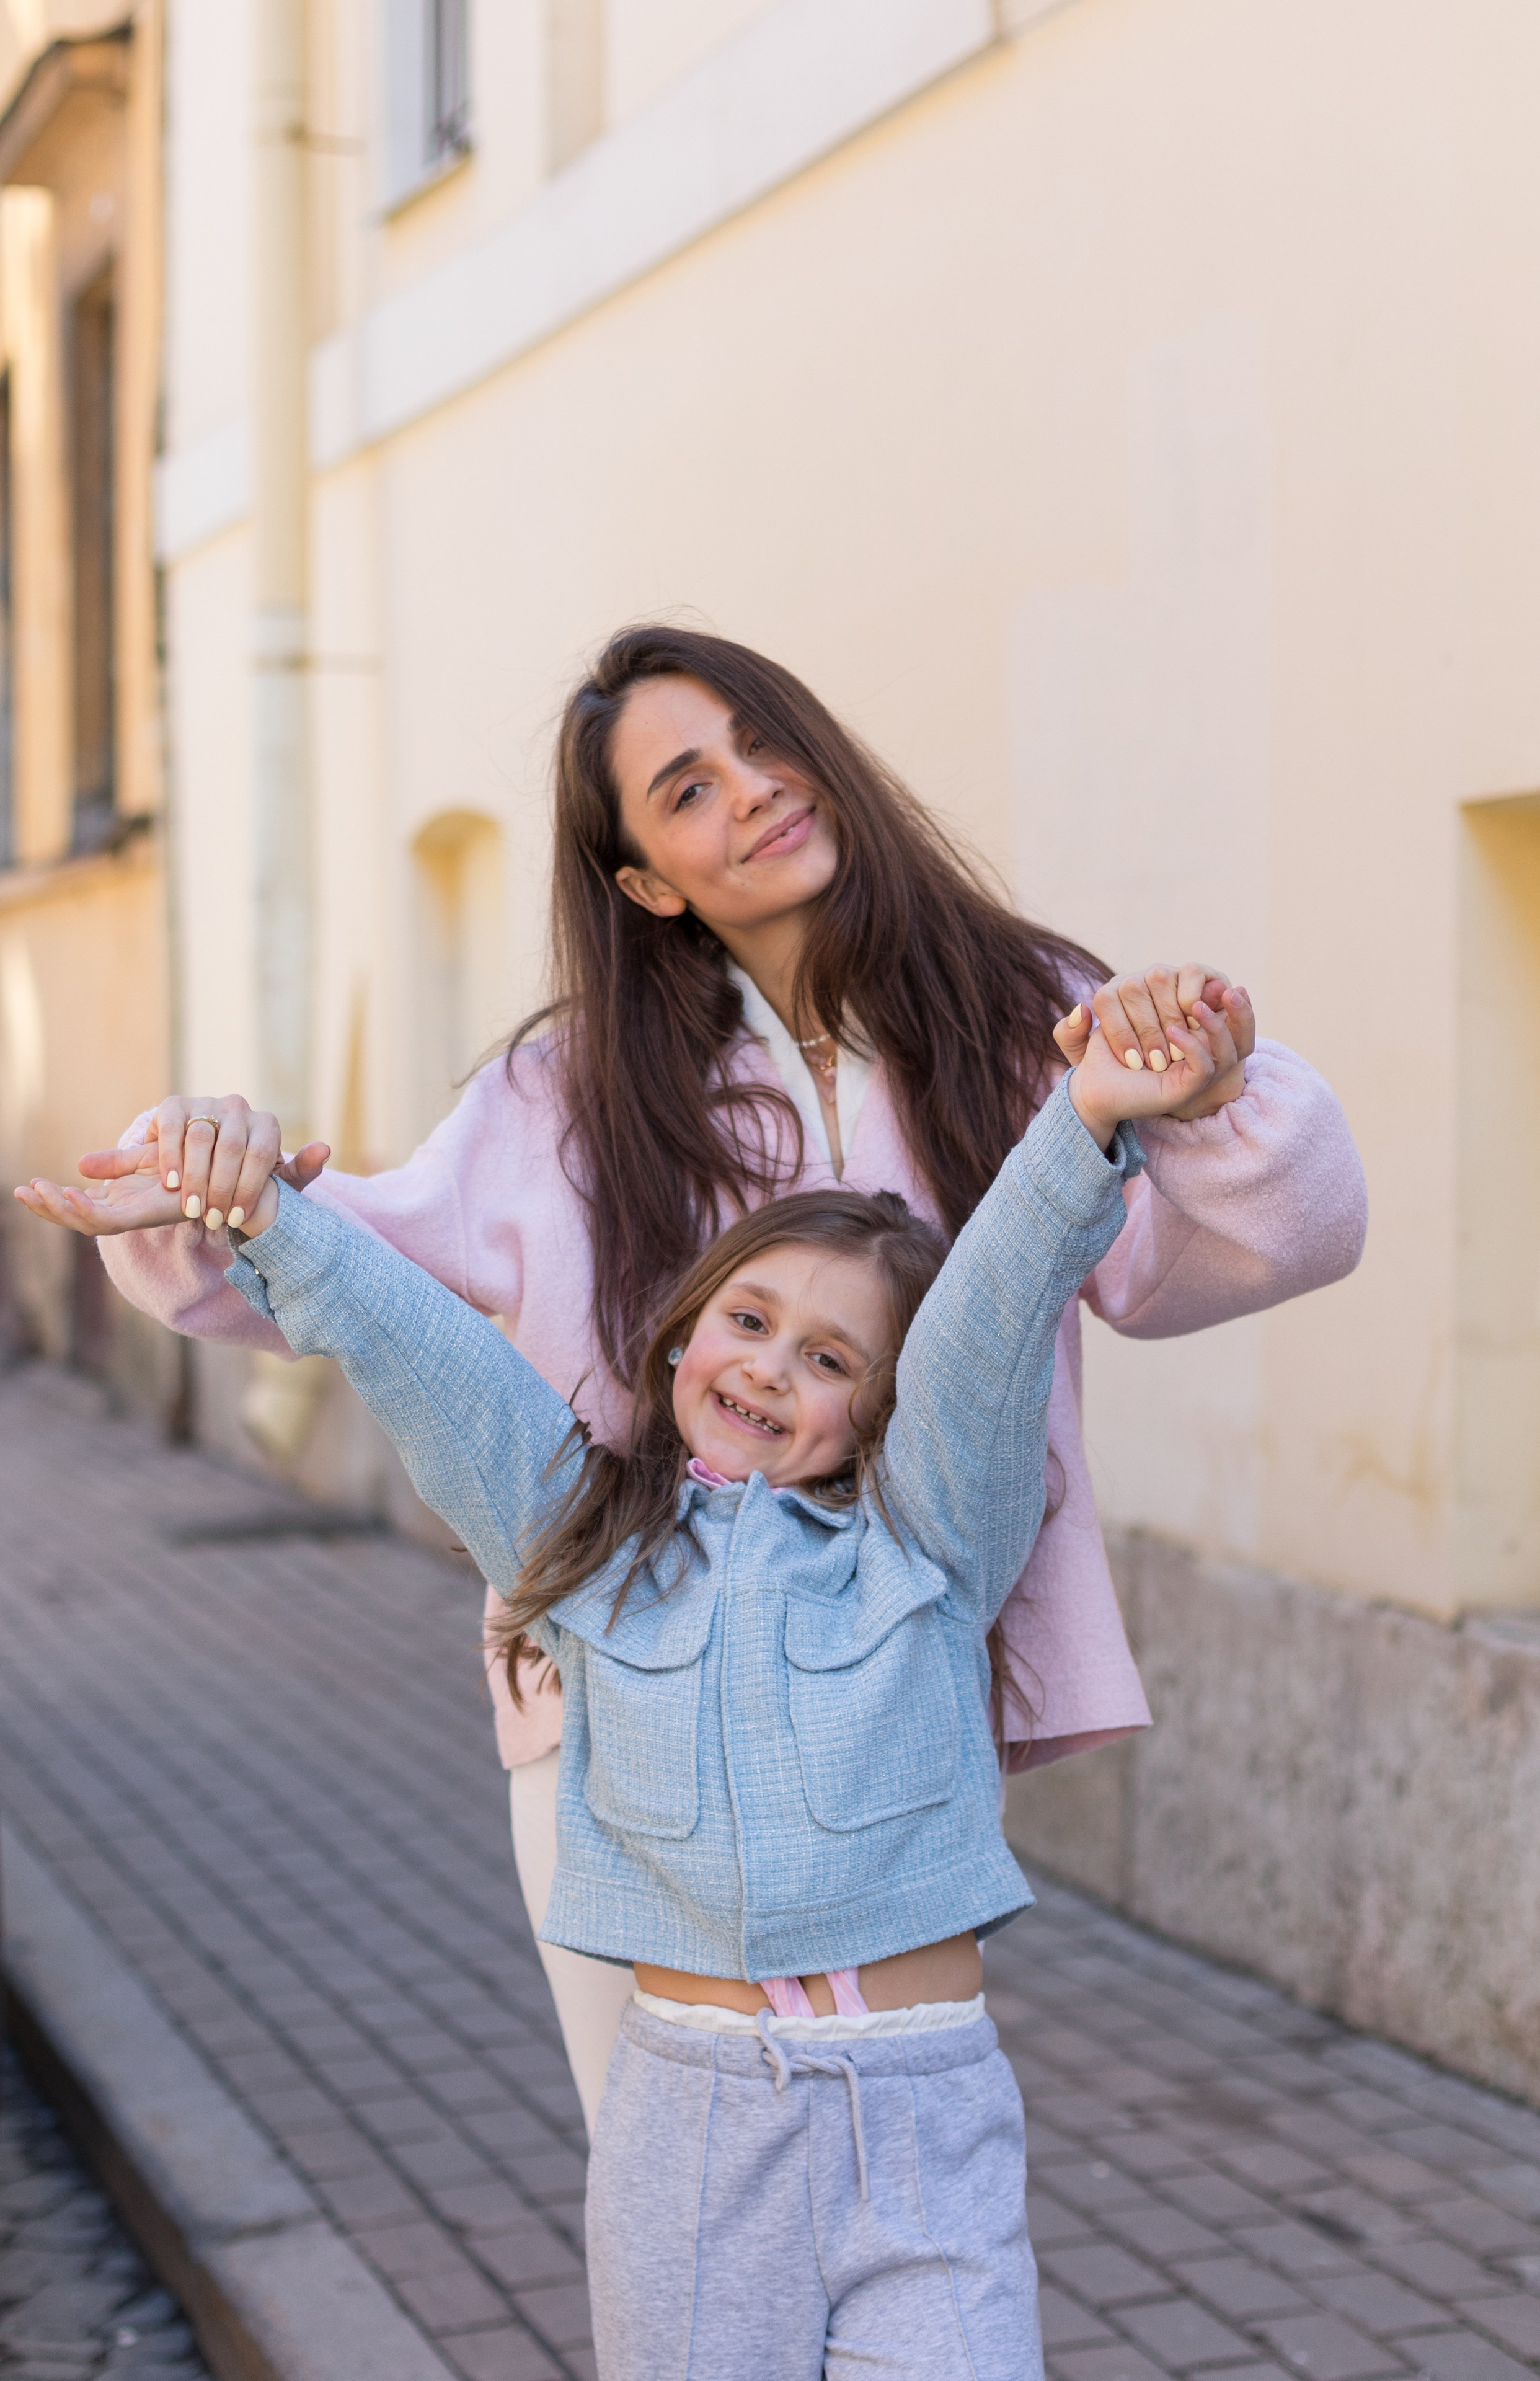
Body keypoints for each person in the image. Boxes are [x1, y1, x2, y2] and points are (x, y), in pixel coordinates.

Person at [62, 626, 1368, 2132]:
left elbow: (1279, 1235)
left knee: (889, 2169)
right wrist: (197, 1168)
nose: (751, 792)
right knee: (666, 2192)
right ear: (646, 882)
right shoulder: (567, 1094)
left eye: (761, 742)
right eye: (687, 790)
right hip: (615, 1721)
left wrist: (1214, 1088)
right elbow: (340, 1265)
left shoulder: (1022, 1018)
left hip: (888, 1714)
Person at [19, 990, 1215, 2377]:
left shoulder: (928, 1549)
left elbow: (994, 1318)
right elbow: (428, 1359)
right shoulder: (582, 1537)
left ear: (881, 1414)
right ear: (678, 1336)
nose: (770, 1368)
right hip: (694, 2141)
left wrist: (1084, 1125)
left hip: (922, 2116)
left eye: (829, 1361)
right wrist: (260, 1218)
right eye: (748, 1320)